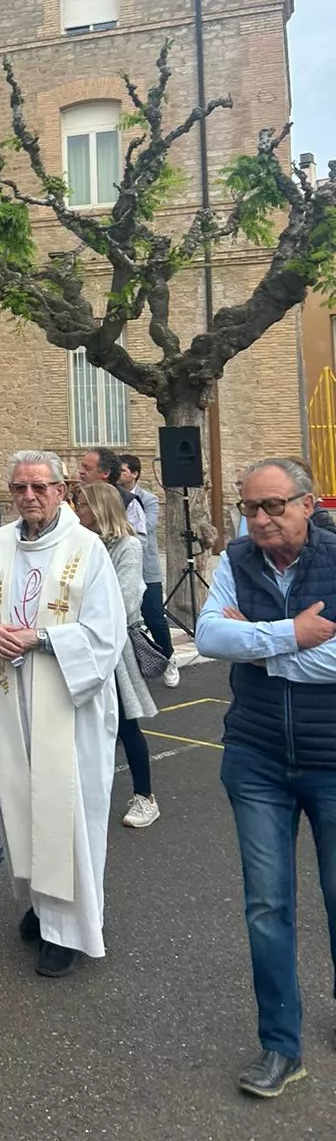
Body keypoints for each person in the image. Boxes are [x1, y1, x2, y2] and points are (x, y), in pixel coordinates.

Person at [0, 450, 126, 977]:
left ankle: (68, 930)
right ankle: (39, 903)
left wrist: (42, 638)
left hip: (67, 707)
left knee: (64, 810)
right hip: (9, 699)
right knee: (12, 803)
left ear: (61, 490)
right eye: (20, 489)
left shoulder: (86, 548)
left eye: (40, 487)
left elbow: (105, 635)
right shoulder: (0, 544)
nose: (29, 497)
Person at [195, 457, 336, 1100]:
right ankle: (281, 1046)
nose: (259, 519)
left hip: (331, 757)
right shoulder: (238, 558)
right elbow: (208, 635)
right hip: (255, 758)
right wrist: (292, 635)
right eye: (249, 508)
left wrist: (258, 642)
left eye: (274, 505)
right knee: (267, 906)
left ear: (310, 504)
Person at [73, 481, 161, 828]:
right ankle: (85, 794)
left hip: (114, 647)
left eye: (81, 504)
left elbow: (123, 601)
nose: (76, 510)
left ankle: (145, 796)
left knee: (125, 722)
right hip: (80, 642)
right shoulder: (80, 544)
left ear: (99, 508)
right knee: (82, 724)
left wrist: (83, 613)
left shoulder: (128, 545)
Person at [118, 453, 178, 686]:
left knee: (154, 617)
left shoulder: (148, 499)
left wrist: (115, 523)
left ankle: (169, 658)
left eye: (124, 470)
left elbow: (147, 527)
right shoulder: (111, 496)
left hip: (146, 568)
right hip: (121, 568)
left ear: (134, 473)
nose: (120, 475)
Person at [77, 446, 148, 540]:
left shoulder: (128, 502)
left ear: (106, 473)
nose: (81, 472)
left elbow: (139, 541)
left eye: (87, 468)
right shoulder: (77, 496)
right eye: (81, 467)